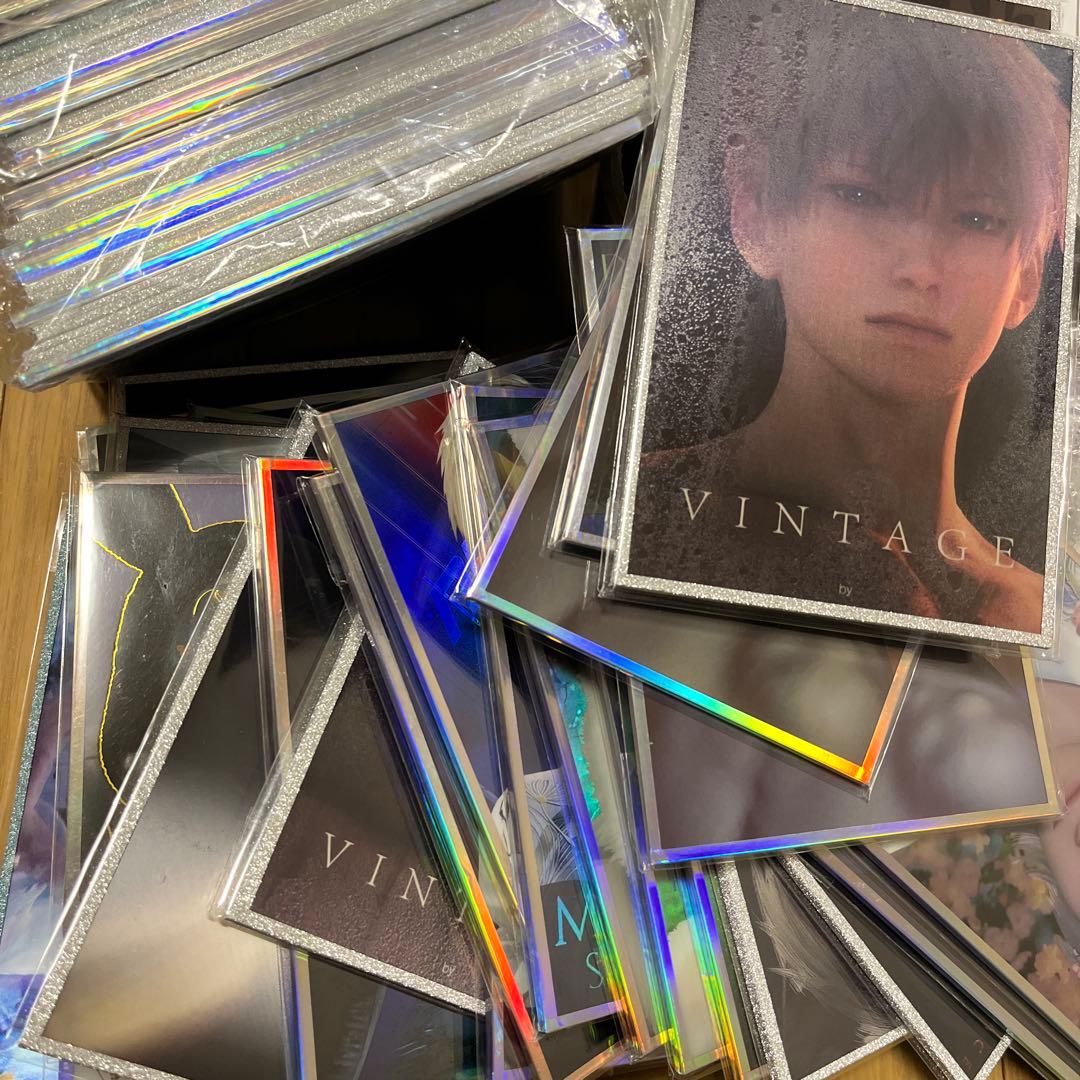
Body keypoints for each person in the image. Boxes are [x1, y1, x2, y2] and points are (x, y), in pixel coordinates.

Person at [631, 0, 1070, 632]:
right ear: (756, 214)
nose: (920, 268)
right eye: (862, 196)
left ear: (1028, 275)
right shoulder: (632, 510)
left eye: (977, 218)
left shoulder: (1040, 620)